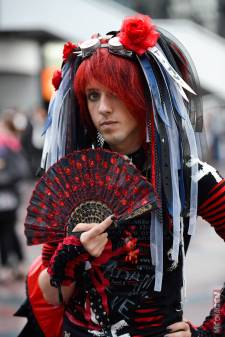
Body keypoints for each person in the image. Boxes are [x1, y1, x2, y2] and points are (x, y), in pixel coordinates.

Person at [16, 14, 225, 337]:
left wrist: (211, 329)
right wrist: (71, 254)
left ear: (144, 96)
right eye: (93, 95)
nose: (103, 109)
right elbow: (49, 296)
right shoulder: (74, 179)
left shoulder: (190, 177)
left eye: (115, 93)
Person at [0, 112, 30, 281]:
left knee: (6, 231)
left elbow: (19, 172)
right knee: (8, 231)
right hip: (9, 196)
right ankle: (16, 264)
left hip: (7, 197)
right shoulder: (11, 145)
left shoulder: (7, 147)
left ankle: (11, 266)